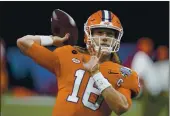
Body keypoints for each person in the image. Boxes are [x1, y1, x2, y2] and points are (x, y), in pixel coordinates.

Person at [17, 10, 140, 116]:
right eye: (100, 32)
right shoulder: (68, 55)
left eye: (109, 33)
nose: (105, 37)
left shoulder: (124, 73)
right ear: (88, 34)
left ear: (117, 38)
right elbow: (23, 42)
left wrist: (96, 74)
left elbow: (121, 107)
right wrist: (52, 39)